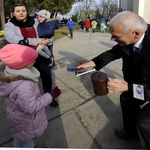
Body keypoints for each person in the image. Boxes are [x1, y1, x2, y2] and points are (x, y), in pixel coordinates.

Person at [77, 11, 150, 149]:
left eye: (115, 36)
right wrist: (92, 63)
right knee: (127, 99)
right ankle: (130, 131)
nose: (111, 39)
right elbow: (114, 52)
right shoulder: (130, 37)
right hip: (137, 82)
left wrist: (129, 87)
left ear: (135, 34)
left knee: (144, 123)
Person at [0, 44, 61, 148]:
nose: (35, 61)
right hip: (27, 121)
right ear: (23, 64)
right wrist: (50, 95)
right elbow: (31, 108)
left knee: (19, 137)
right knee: (28, 141)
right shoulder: (25, 85)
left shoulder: (9, 73)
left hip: (16, 117)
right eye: (32, 60)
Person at [4, 2, 58, 107]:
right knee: (27, 81)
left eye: (23, 11)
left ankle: (49, 97)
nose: (21, 13)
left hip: (39, 54)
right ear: (13, 13)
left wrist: (47, 40)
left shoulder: (35, 22)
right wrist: (36, 41)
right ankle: (32, 100)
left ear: (27, 12)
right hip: (23, 58)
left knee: (47, 76)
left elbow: (48, 32)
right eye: (18, 11)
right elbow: (13, 39)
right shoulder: (9, 26)